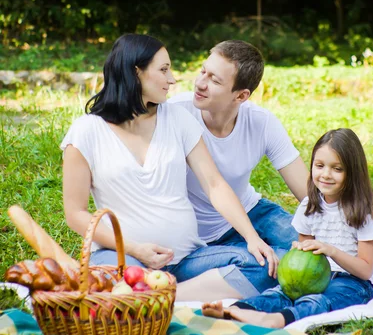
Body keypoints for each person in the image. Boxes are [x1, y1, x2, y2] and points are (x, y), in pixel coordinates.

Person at [61, 33, 279, 302]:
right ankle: (158, 297)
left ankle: (161, 299)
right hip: (124, 258)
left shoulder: (177, 118)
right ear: (135, 72)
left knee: (264, 267)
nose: (173, 79)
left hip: (186, 260)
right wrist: (136, 249)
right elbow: (75, 214)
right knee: (112, 287)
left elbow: (214, 184)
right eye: (164, 70)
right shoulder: (86, 131)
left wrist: (251, 237)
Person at [169, 40, 373, 289]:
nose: (200, 83)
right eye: (203, 71)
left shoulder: (261, 123)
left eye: (214, 80)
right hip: (200, 235)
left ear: (241, 95)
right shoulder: (176, 114)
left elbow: (307, 188)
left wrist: (342, 223)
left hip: (251, 211)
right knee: (281, 264)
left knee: (319, 252)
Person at [202, 128, 373, 327]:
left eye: (337, 169)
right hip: (316, 277)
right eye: (319, 166)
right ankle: (238, 310)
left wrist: (331, 251)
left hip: (353, 282)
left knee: (321, 301)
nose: (326, 174)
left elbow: (366, 270)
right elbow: (303, 253)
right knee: (279, 292)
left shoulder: (363, 213)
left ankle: (278, 319)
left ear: (353, 172)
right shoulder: (309, 206)